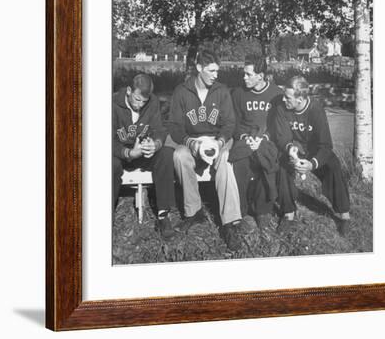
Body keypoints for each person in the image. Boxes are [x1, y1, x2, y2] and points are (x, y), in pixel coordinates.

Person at [167, 50, 242, 251]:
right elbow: (174, 126)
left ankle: (230, 223)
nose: (215, 75)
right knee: (179, 155)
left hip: (217, 140)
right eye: (211, 70)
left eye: (217, 71)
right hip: (193, 141)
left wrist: (219, 142)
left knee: (226, 159)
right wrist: (190, 143)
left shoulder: (222, 90)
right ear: (199, 68)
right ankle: (194, 212)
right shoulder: (182, 91)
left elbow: (229, 124)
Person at [271, 75, 351, 235]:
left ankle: (344, 215)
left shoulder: (315, 109)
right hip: (294, 149)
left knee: (333, 166)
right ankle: (288, 214)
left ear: (300, 98)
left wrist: (312, 164)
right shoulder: (281, 106)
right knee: (281, 166)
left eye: (288, 97)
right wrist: (290, 149)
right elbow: (281, 136)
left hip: (315, 151)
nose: (284, 100)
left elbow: (326, 145)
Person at [113, 73, 176, 239]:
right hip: (120, 153)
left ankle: (163, 215)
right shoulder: (112, 103)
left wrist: (155, 144)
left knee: (166, 154)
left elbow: (160, 130)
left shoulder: (153, 102)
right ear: (128, 91)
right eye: (136, 99)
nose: (140, 105)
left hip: (142, 152)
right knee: (110, 164)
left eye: (144, 101)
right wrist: (127, 153)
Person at [229, 55, 283, 230]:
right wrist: (245, 137)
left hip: (267, 140)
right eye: (243, 74)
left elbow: (279, 126)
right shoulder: (238, 94)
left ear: (260, 76)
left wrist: (263, 139)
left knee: (265, 160)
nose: (244, 78)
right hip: (245, 139)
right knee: (240, 162)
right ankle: (241, 210)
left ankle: (262, 209)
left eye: (248, 74)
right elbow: (234, 123)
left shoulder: (276, 94)